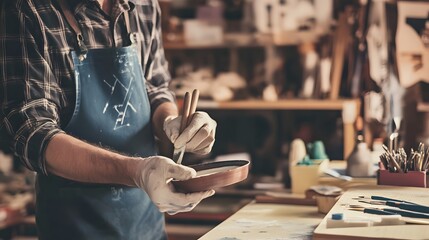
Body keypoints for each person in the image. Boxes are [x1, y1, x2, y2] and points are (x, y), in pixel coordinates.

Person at [0, 0, 217, 239]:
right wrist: (137, 172)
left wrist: (173, 124)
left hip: (145, 223)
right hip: (75, 227)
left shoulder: (143, 4)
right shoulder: (27, 9)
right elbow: (31, 131)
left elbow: (155, 88)